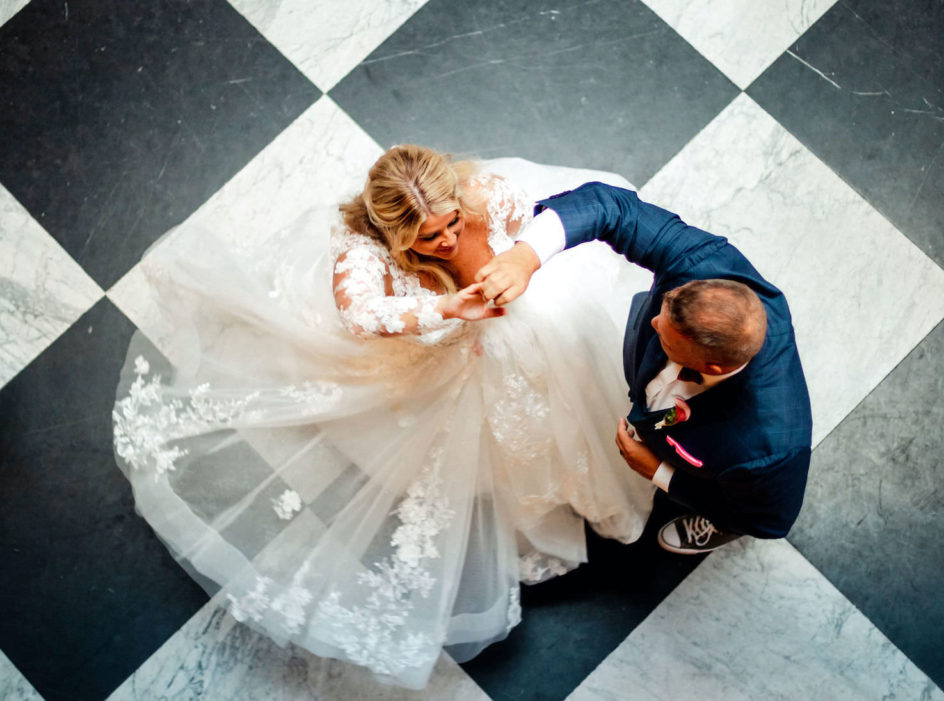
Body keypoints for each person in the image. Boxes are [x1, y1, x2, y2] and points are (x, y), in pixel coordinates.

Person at [111, 146, 655, 689]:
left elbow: (536, 230)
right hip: (440, 350)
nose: (445, 240)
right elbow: (362, 313)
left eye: (451, 224)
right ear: (396, 237)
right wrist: (447, 310)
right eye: (427, 237)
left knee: (568, 383)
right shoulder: (360, 247)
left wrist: (518, 268)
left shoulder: (484, 197)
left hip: (521, 323)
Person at [477, 181, 813, 554]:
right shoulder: (704, 264)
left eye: (667, 339)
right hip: (662, 389)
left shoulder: (765, 448)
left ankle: (717, 527)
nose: (653, 323)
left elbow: (768, 519)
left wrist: (660, 472)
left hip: (707, 465)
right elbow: (610, 206)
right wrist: (525, 256)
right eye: (664, 308)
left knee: (734, 505)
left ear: (711, 365)